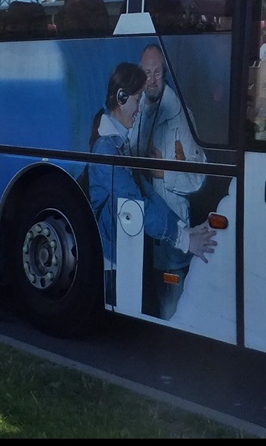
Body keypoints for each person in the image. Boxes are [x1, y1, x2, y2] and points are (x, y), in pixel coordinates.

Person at [88, 61, 215, 307]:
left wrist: (183, 230)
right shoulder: (107, 149)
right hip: (111, 260)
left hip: (120, 252)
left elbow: (147, 193)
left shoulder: (116, 143)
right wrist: (185, 240)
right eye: (137, 100)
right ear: (122, 98)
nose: (139, 108)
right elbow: (136, 207)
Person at [129, 43, 208, 319]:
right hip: (138, 230)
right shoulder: (133, 110)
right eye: (146, 73)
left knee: (170, 312)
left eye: (157, 73)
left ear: (165, 73)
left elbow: (198, 178)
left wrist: (165, 173)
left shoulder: (181, 116)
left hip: (171, 235)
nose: (151, 80)